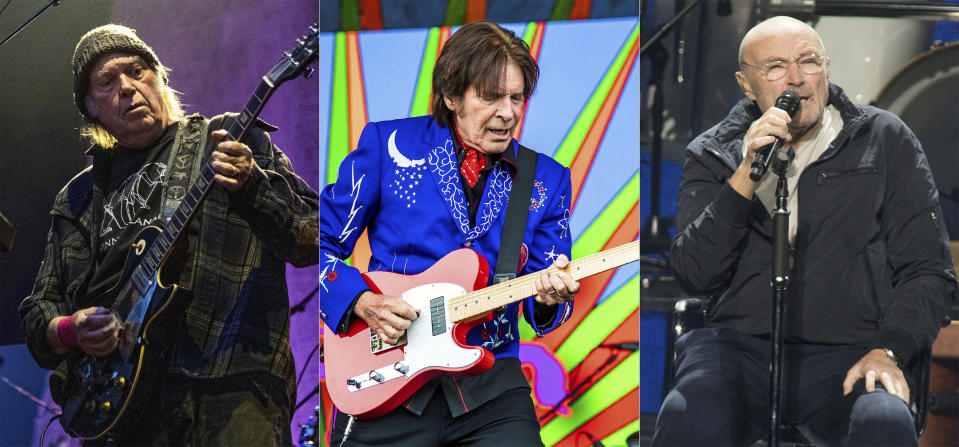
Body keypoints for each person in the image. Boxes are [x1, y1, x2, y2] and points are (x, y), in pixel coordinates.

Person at [653, 16, 957, 446]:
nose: (796, 79)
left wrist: (889, 350)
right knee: (689, 414)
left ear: (827, 70)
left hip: (853, 348)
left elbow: (929, 271)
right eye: (776, 67)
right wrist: (744, 177)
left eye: (808, 62)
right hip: (738, 348)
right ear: (746, 84)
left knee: (883, 421)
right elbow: (695, 272)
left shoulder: (884, 139)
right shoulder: (714, 151)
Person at [18, 24, 318, 445]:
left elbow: (313, 237)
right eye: (107, 82)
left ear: (159, 78)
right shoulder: (79, 197)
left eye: (138, 71)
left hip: (228, 389)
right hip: (118, 412)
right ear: (91, 109)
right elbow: (38, 311)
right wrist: (70, 329)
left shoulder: (228, 138)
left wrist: (253, 185)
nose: (127, 87)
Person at [320, 20, 580, 447]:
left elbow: (545, 305)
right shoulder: (389, 146)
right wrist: (362, 302)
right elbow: (319, 243)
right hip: (382, 382)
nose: (508, 112)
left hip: (493, 391)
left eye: (517, 98)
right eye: (491, 96)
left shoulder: (546, 180)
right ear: (451, 95)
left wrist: (549, 297)